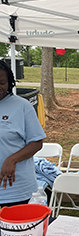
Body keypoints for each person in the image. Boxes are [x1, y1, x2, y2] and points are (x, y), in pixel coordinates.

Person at [0, 60, 46, 206]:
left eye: (1, 82)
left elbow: (36, 142)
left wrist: (12, 159)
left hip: (15, 191)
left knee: (16, 228)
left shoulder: (22, 106)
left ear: (10, 83)